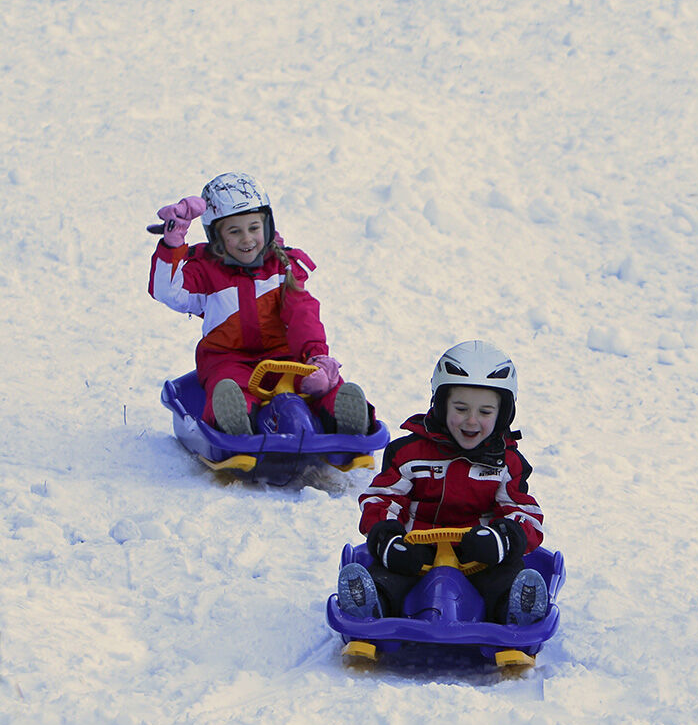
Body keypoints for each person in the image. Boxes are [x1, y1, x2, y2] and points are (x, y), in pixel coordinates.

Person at [337, 340, 548, 626]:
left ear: (503, 414)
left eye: (485, 412)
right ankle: (370, 605)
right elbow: (382, 499)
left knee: (503, 578)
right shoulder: (409, 454)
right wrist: (388, 539)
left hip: (479, 556)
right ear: (440, 405)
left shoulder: (506, 464)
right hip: (415, 554)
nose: (471, 421)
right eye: (461, 408)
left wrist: (502, 539)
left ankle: (516, 610)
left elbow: (524, 514)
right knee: (389, 577)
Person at [147, 172, 370, 436]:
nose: (247, 239)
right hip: (228, 359)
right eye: (234, 231)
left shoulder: (283, 268)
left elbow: (303, 315)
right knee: (228, 386)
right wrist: (173, 242)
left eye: (254, 228)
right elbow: (167, 292)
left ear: (267, 225)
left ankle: (343, 417)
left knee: (318, 384)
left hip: (285, 358)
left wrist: (316, 357)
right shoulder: (206, 271)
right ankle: (234, 421)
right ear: (216, 236)